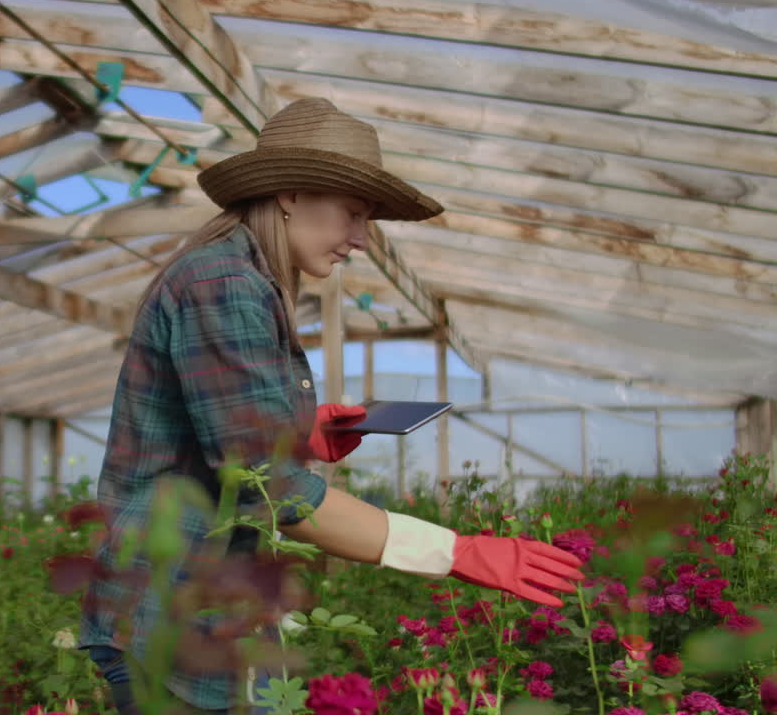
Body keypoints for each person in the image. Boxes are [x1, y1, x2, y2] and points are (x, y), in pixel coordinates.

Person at [78, 98, 584, 714]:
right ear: (290, 194)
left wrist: (303, 431)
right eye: (353, 213)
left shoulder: (241, 277)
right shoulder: (225, 285)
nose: (361, 240)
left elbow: (216, 438)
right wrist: (457, 551)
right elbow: (275, 493)